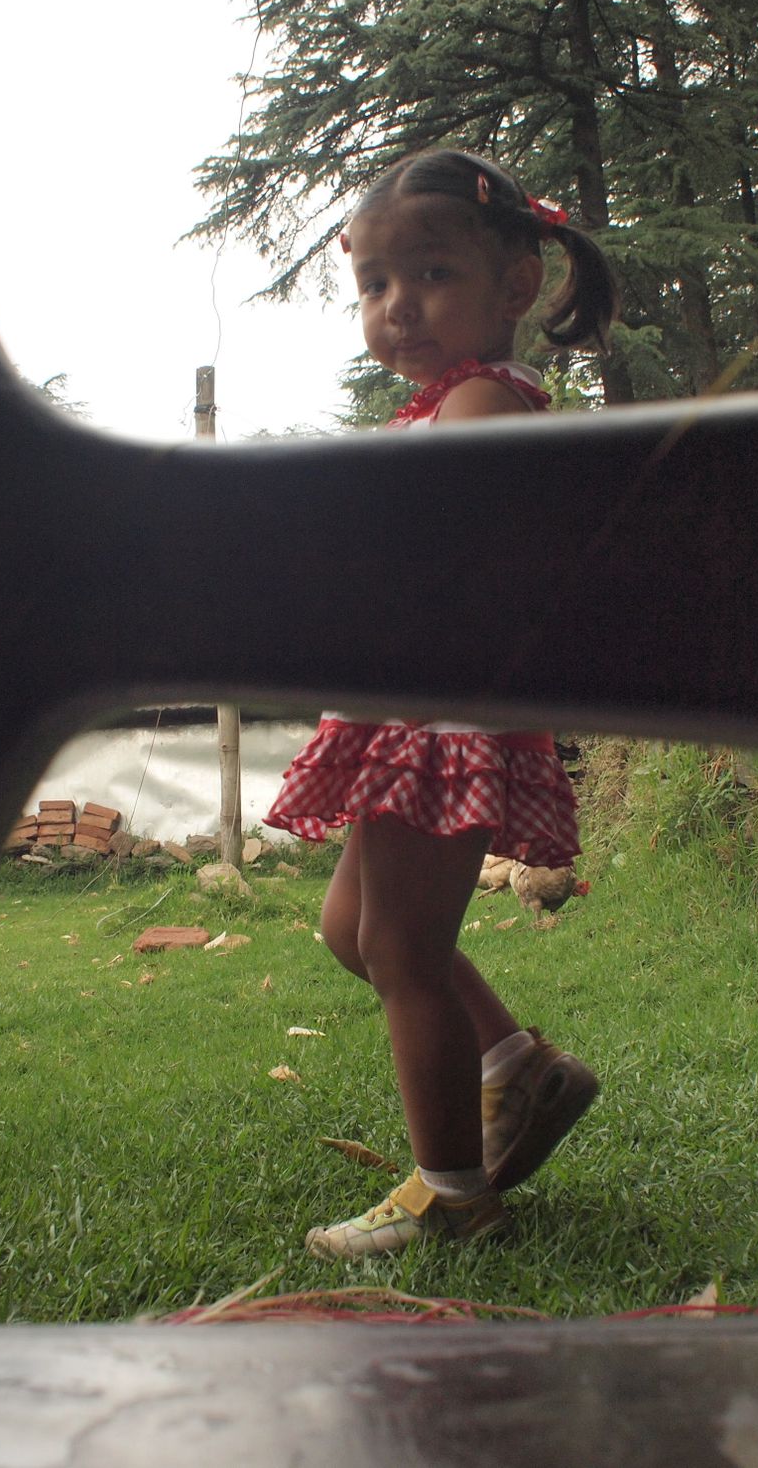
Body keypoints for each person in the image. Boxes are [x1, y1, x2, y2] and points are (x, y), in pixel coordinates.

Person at [264, 149, 617, 1259]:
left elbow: (438, 541)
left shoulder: (477, 400)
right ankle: (519, 1069)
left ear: (515, 284)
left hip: (436, 715)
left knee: (404, 952)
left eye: (427, 274)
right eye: (373, 285)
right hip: (406, 705)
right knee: (351, 932)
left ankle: (451, 1192)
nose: (394, 306)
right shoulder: (447, 403)